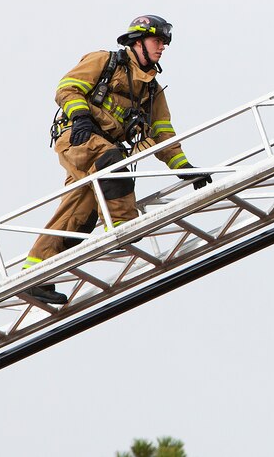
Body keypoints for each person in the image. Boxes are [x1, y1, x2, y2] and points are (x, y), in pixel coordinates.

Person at [24, 15, 212, 304]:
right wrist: (81, 115)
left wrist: (184, 168)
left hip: (103, 149)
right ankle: (121, 226)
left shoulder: (152, 90)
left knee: (80, 212)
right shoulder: (105, 61)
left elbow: (163, 133)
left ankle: (35, 274)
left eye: (164, 43)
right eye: (157, 41)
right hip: (78, 136)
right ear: (137, 43)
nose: (162, 48)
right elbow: (67, 87)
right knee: (113, 164)